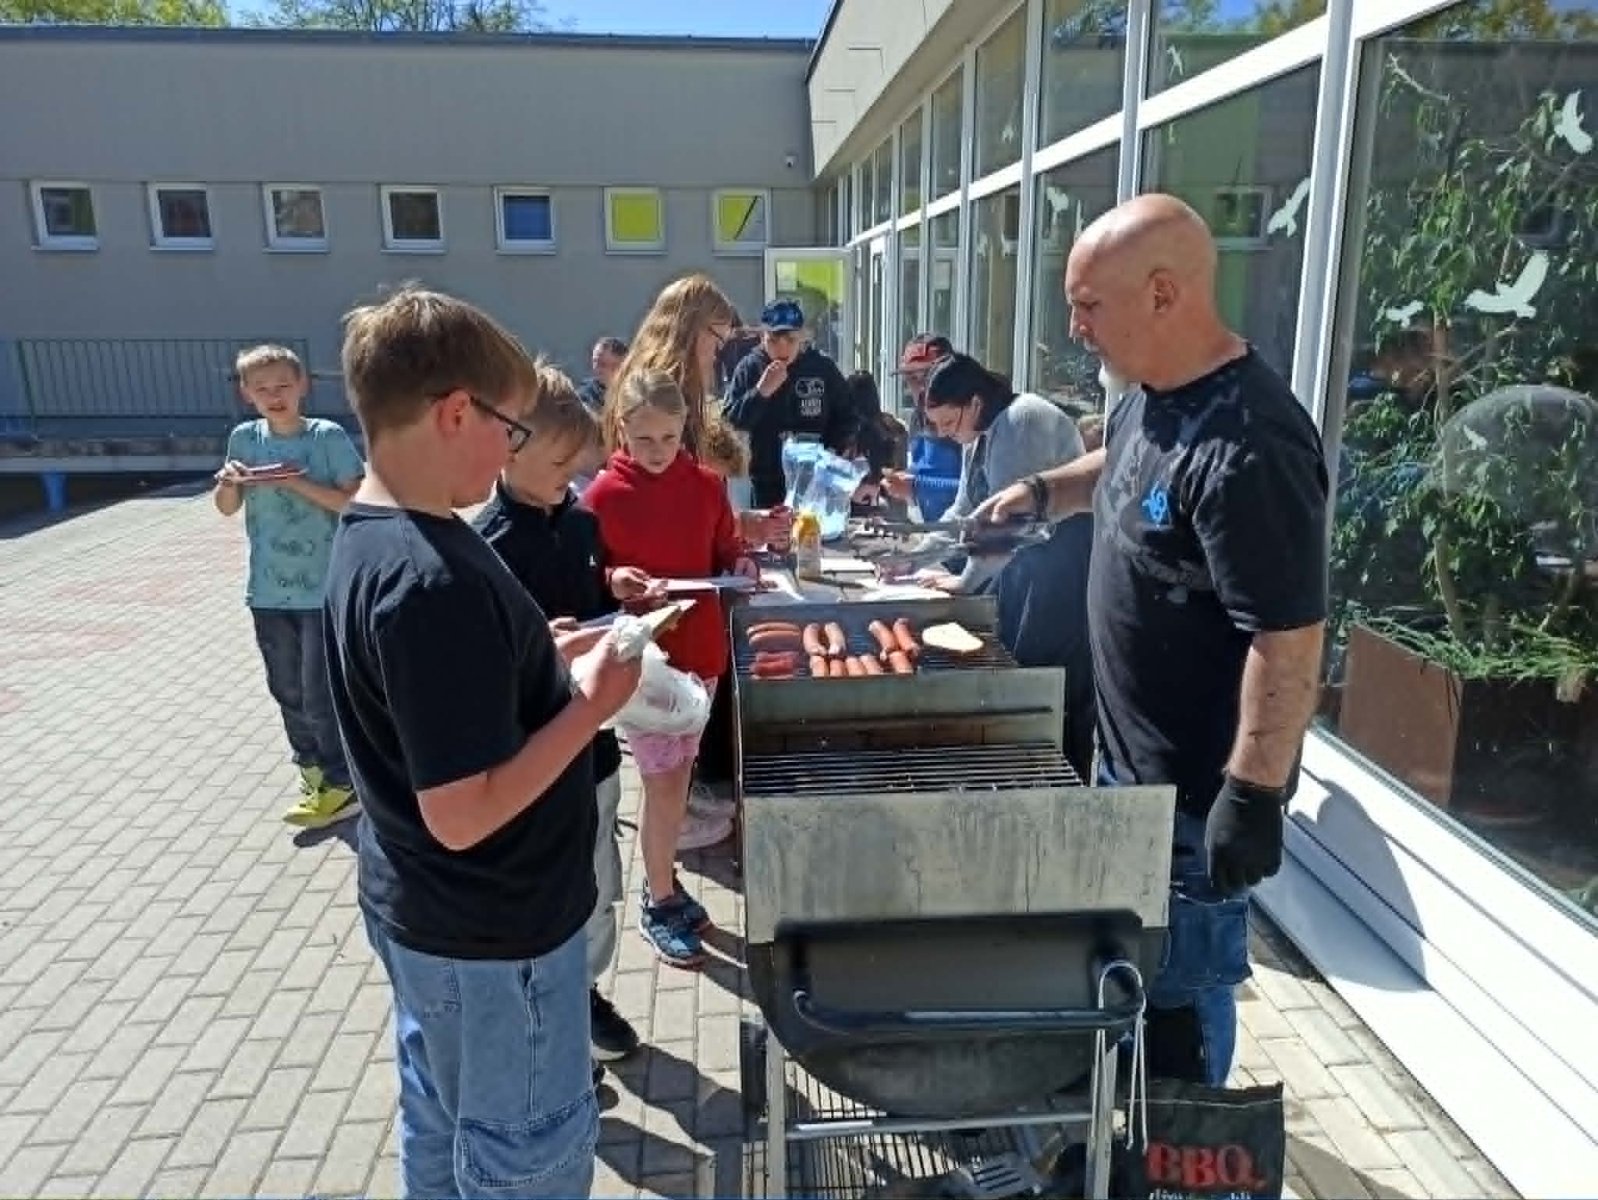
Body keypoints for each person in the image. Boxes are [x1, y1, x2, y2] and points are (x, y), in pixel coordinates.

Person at [975, 194, 1328, 1086]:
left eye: (1088, 305)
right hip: (1125, 771)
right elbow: (1123, 463)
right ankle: (1123, 1126)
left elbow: (1289, 636)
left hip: (1193, 799)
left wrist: (1252, 792)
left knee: (1182, 1003)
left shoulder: (1253, 446)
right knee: (1133, 982)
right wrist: (1047, 492)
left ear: (1163, 293)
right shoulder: (1154, 396)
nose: (1075, 327)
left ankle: (1185, 1143)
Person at [323, 286, 641, 1199]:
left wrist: (539, 654)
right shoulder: (429, 582)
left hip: (430, 919)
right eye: (510, 427)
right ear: (456, 412)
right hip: (495, 940)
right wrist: (591, 706)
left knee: (439, 1123)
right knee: (525, 1160)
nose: (512, 449)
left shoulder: (374, 533)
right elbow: (462, 813)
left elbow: (432, 702)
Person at [471, 362, 645, 1066]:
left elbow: (592, 596)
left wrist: (615, 587)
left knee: (598, 884)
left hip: (594, 750)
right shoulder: (485, 546)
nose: (572, 476)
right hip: (534, 757)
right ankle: (549, 1020)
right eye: (558, 463)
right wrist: (546, 644)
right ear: (507, 451)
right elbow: (489, 664)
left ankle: (583, 992)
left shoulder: (580, 524)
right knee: (547, 893)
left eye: (579, 463)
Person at [584, 369, 759, 969]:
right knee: (663, 785)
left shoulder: (707, 485)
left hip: (701, 656)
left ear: (685, 428)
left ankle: (664, 883)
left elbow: (726, 548)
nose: (657, 451)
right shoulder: (602, 496)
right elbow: (587, 573)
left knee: (678, 779)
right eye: (644, 439)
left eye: (668, 437)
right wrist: (615, 579)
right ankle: (658, 898)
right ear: (621, 429)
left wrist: (742, 565)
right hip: (645, 666)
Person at [214, 344, 364, 829]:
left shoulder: (326, 436)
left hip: (322, 591)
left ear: (303, 385)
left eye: (282, 385)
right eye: (262, 388)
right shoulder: (244, 438)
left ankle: (343, 782)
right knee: (286, 690)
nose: (274, 395)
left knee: (320, 693)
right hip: (266, 591)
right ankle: (313, 772)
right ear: (246, 394)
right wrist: (229, 483)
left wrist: (294, 482)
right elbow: (227, 508)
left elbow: (354, 504)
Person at [908, 352, 1085, 597]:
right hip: (1022, 568)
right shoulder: (974, 433)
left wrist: (966, 583)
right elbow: (962, 512)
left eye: (948, 422)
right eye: (937, 425)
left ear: (975, 404)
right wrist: (913, 560)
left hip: (1055, 570)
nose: (942, 433)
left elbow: (1005, 521)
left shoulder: (1020, 420)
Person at [722, 299, 857, 508]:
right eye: (774, 340)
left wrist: (831, 451)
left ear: (802, 337)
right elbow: (729, 423)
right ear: (762, 336)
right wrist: (761, 392)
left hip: (814, 479)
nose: (782, 347)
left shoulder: (821, 368)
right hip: (767, 481)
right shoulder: (750, 368)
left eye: (790, 340)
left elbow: (848, 416)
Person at [881, 334, 963, 521]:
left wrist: (917, 486)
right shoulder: (917, 417)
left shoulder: (967, 420)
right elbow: (922, 470)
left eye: (927, 376)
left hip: (965, 529)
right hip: (932, 527)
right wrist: (898, 481)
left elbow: (976, 492)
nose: (920, 388)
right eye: (911, 378)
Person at [845, 369, 907, 509]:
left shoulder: (850, 430)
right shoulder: (895, 427)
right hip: (893, 504)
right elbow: (901, 468)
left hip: (859, 504)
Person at [577, 336, 627, 414]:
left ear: (621, 366)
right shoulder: (585, 397)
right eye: (595, 362)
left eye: (603, 364)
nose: (597, 369)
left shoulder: (636, 394)